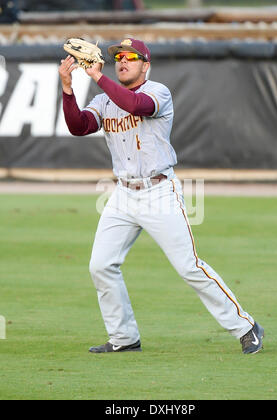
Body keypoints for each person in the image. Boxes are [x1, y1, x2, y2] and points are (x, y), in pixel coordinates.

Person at [59, 38, 264, 354]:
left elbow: (136, 106)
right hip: (123, 195)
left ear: (146, 64)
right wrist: (68, 89)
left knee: (189, 266)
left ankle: (246, 326)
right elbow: (79, 126)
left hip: (159, 192)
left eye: (131, 56)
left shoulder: (159, 92)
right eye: (118, 57)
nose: (123, 60)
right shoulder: (103, 100)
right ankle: (124, 338)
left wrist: (98, 76)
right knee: (101, 265)